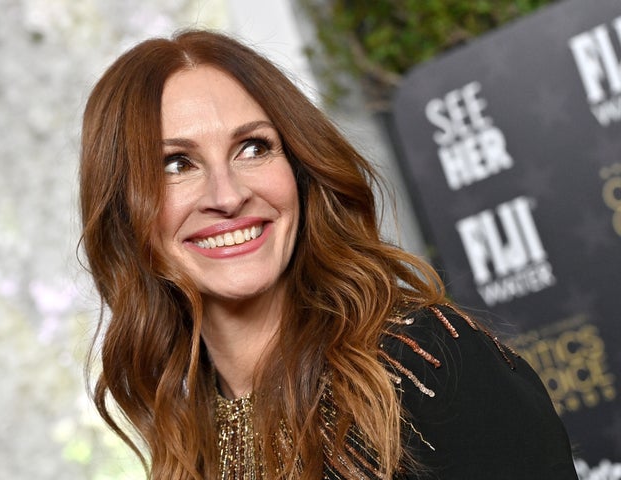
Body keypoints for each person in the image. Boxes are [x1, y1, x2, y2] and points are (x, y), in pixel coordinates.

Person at [79, 29, 578, 480]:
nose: (227, 196)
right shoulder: (188, 438)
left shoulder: (422, 366)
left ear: (300, 168)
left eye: (253, 148)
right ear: (124, 211)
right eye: (176, 164)